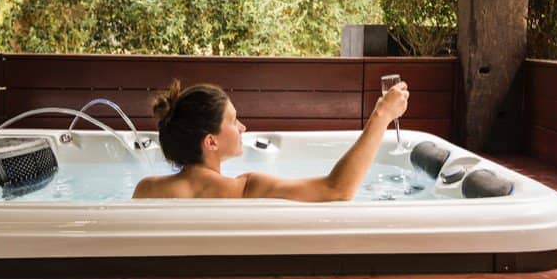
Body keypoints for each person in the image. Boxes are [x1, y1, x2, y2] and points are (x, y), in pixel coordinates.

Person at [133, 79, 409, 201]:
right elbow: (337, 191)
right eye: (232, 120)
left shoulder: (147, 190)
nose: (242, 127)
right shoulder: (246, 190)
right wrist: (381, 116)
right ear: (211, 142)